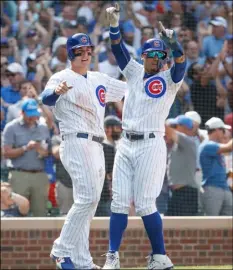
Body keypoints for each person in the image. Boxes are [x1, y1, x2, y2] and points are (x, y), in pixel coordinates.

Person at [103, 4, 186, 269]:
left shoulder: (169, 78)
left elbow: (181, 65)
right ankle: (112, 256)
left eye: (159, 54)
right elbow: (118, 49)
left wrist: (174, 44)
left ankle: (160, 256)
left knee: (145, 204)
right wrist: (114, 26)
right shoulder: (136, 71)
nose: (154, 58)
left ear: (163, 57)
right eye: (150, 54)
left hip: (151, 144)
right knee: (118, 200)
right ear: (144, 55)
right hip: (125, 142)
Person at [40, 33, 127, 269]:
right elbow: (45, 98)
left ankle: (82, 261)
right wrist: (57, 90)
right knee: (88, 199)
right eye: (80, 50)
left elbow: (129, 89)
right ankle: (61, 250)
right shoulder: (62, 76)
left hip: (97, 144)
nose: (86, 54)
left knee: (89, 203)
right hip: (76, 141)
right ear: (71, 53)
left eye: (89, 50)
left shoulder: (99, 78)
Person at [2, 98, 50, 217]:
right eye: (29, 115)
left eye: (34, 115)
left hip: (39, 174)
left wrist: (41, 150)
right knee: (16, 211)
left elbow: (47, 152)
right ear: (22, 113)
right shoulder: (11, 127)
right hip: (19, 174)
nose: (32, 118)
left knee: (41, 213)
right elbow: (6, 153)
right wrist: (25, 148)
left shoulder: (42, 127)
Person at [165, 115, 198, 216]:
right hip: (178, 193)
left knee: (184, 228)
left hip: (185, 194)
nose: (172, 128)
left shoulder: (188, 140)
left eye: (174, 126)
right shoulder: (177, 145)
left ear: (184, 128)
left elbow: (167, 129)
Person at [199, 117, 233, 216]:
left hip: (224, 188)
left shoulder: (215, 145)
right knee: (211, 224)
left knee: (228, 224)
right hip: (212, 188)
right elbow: (229, 148)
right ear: (217, 130)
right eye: (223, 130)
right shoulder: (207, 145)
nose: (225, 133)